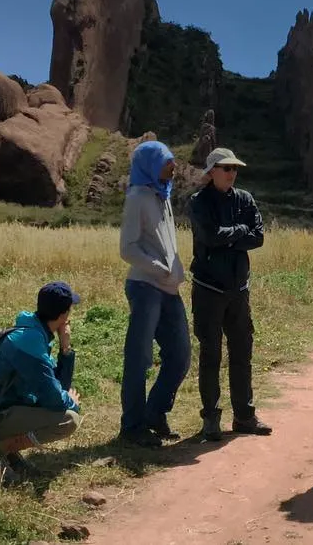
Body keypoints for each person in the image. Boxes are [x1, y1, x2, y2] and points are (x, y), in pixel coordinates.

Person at [0, 281, 83, 485]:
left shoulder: (32, 333)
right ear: (63, 315)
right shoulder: (30, 344)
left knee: (56, 411)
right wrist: (71, 402)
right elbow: (55, 401)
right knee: (68, 420)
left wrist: (65, 349)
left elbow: (54, 388)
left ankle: (8, 452)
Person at [188, 147, 270, 441]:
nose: (232, 173)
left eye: (235, 168)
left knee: (242, 352)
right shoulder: (198, 202)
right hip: (208, 288)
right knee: (211, 354)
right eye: (226, 168)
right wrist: (239, 231)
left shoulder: (245, 199)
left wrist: (228, 236)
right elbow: (208, 236)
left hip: (238, 289)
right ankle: (210, 419)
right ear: (211, 172)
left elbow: (258, 237)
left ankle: (244, 416)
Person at [118, 139, 191, 448]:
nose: (173, 166)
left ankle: (154, 414)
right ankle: (132, 427)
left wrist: (173, 272)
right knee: (140, 357)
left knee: (180, 355)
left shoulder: (163, 195)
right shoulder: (137, 196)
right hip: (145, 286)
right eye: (166, 162)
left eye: (172, 161)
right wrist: (160, 268)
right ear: (150, 164)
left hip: (168, 288)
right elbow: (127, 248)